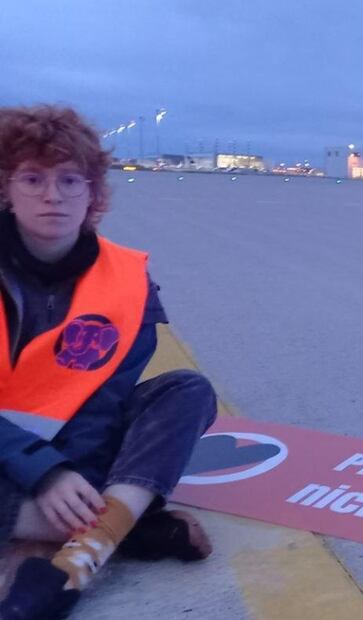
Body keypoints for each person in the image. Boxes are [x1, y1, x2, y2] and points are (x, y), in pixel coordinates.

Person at [0, 105, 217, 619]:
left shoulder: (127, 279)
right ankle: (119, 523)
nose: (52, 195)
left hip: (83, 444)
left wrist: (70, 476)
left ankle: (82, 550)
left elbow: (105, 403)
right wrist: (45, 473)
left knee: (186, 391)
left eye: (70, 180)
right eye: (33, 178)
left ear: (93, 194)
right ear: (6, 189)